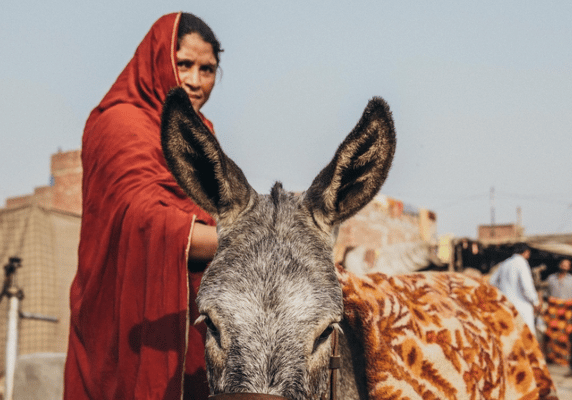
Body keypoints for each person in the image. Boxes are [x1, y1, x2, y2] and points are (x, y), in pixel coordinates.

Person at [64, 12, 222, 400]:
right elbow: (139, 218)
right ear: (157, 59)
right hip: (125, 321)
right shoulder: (119, 122)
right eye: (183, 64)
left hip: (192, 319)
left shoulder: (202, 134)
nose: (195, 81)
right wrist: (238, 240)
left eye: (208, 69)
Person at [489, 243, 540, 332]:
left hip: (506, 305)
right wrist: (535, 301)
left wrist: (502, 291)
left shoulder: (505, 263)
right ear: (526, 252)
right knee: (527, 336)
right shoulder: (522, 263)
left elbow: (492, 281)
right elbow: (527, 286)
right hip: (522, 307)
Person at [543, 259, 572, 369]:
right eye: (563, 264)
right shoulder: (551, 278)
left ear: (569, 267)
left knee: (565, 335)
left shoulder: (571, 280)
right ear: (559, 265)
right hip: (553, 313)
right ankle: (552, 358)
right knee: (552, 334)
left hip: (566, 314)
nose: (564, 266)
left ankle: (565, 358)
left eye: (567, 265)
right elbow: (546, 294)